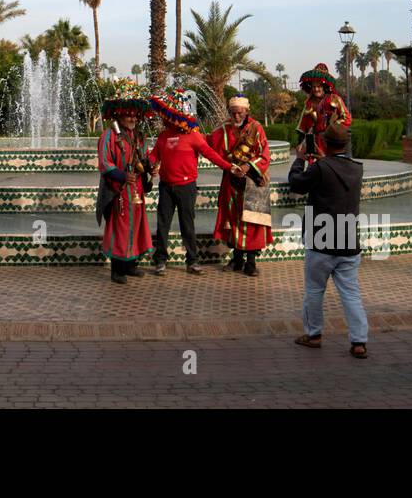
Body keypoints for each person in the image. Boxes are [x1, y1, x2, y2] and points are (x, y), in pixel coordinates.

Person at [288, 121, 369, 359]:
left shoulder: (320, 167)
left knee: (314, 290)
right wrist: (324, 158)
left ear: (324, 142)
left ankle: (314, 335)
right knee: (351, 293)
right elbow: (336, 169)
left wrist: (299, 159)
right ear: (346, 144)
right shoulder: (357, 168)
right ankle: (359, 342)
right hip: (348, 241)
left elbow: (297, 183)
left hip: (321, 240)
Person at [147, 88, 234, 275]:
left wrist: (229, 167)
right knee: (163, 224)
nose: (165, 119)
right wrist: (149, 164)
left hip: (186, 187)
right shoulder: (164, 136)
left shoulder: (193, 135)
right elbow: (154, 155)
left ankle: (192, 261)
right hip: (166, 187)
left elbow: (210, 154)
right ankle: (160, 260)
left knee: (187, 224)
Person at [95, 82, 155, 284]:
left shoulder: (139, 137)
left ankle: (131, 265)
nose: (132, 118)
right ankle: (117, 269)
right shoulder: (109, 135)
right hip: (118, 190)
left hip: (136, 189)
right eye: (128, 114)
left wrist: (151, 168)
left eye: (135, 115)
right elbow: (104, 162)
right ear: (119, 114)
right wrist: (122, 176)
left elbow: (145, 158)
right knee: (119, 229)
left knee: (136, 227)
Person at [208, 95, 273, 276]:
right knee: (234, 220)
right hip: (232, 180)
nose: (236, 116)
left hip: (253, 181)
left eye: (239, 113)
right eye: (233, 113)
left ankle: (251, 262)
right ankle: (237, 259)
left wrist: (247, 165)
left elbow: (265, 154)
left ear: (246, 112)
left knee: (253, 221)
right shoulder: (223, 129)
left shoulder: (256, 128)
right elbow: (207, 144)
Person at [295, 64, 352, 162]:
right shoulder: (309, 103)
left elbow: (347, 118)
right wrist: (301, 143)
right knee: (315, 170)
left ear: (324, 86)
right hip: (315, 142)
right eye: (313, 87)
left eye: (319, 86)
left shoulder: (334, 99)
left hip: (332, 141)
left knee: (333, 167)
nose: (316, 89)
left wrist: (332, 128)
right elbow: (303, 127)